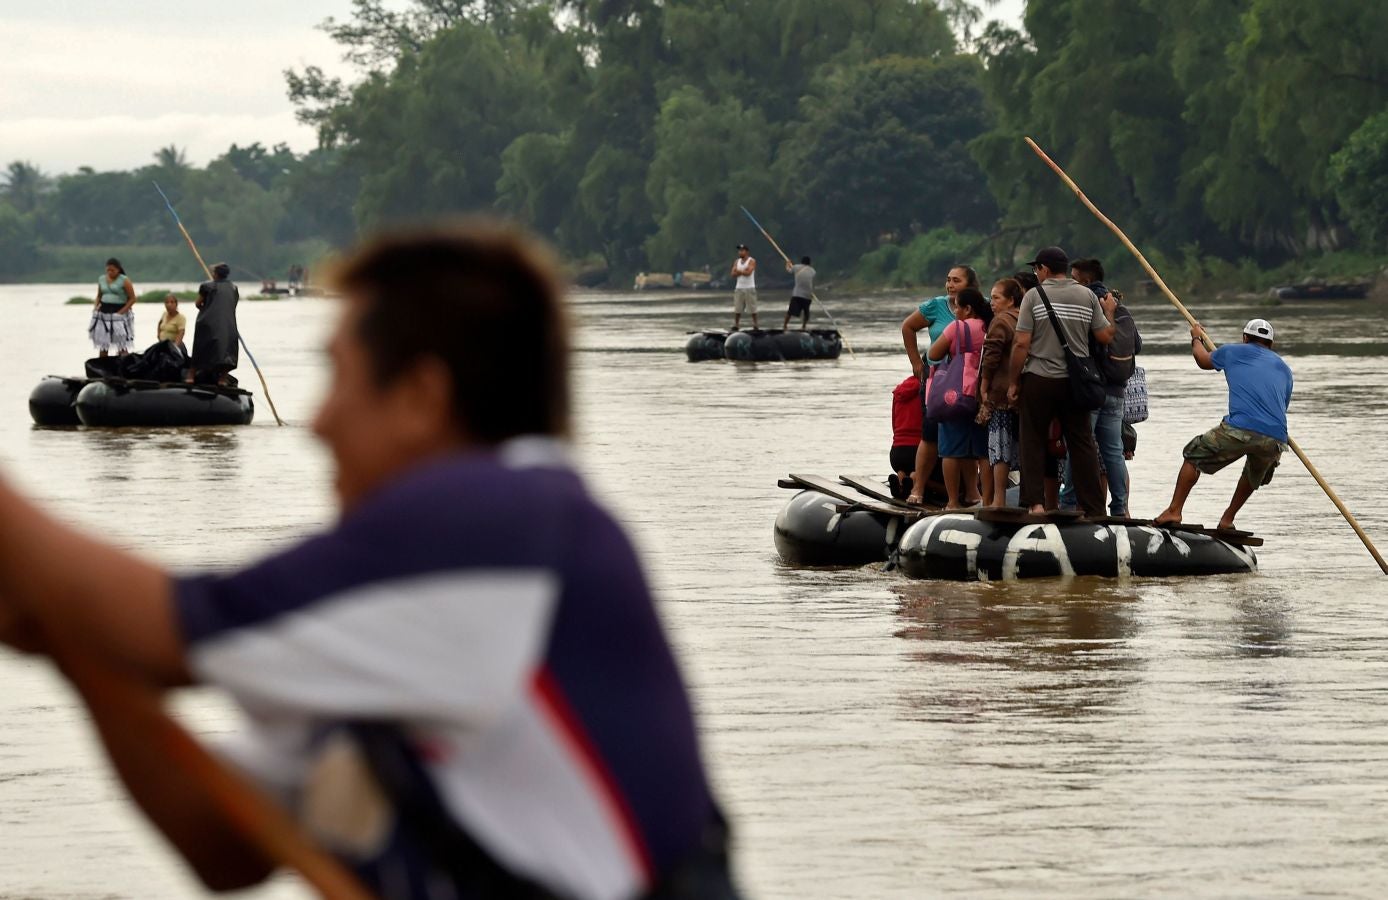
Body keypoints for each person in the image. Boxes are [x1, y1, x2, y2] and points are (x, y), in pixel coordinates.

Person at [0, 223, 738, 899]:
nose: (318, 422)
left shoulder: (497, 526)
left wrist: (65, 595)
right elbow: (223, 842)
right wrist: (71, 642)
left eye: (341, 376)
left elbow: (161, 634)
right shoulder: (405, 633)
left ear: (420, 397)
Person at [1005, 246, 1114, 516]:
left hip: (1039, 379)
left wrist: (1013, 381)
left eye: (1036, 269)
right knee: (1082, 443)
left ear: (1043, 269)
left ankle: (1035, 504)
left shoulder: (1033, 296)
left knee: (1033, 440)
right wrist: (1109, 311)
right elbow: (1104, 336)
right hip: (1075, 383)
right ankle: (1093, 508)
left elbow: (1021, 343)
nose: (1036, 273)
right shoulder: (1087, 295)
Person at [1155, 318, 1292, 531]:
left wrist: (1196, 338)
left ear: (1245, 338)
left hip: (1241, 429)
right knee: (1252, 474)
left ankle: (1174, 510)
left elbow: (1203, 360)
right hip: (1276, 437)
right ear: (1271, 344)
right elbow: (1282, 405)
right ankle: (1227, 520)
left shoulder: (1233, 351)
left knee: (1193, 455)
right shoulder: (1285, 369)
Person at [1059, 277, 1141, 516]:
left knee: (1079, 447)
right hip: (1117, 393)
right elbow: (1137, 346)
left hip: (1092, 393)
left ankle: (1068, 502)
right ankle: (1120, 507)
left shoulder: (1093, 317)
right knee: (1114, 451)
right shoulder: (1124, 315)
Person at [901, 265, 978, 505]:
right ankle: (918, 489)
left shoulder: (979, 306)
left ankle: (972, 492)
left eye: (956, 280)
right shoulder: (936, 306)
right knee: (930, 433)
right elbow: (908, 327)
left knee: (968, 433)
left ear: (970, 285)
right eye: (948, 280)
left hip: (967, 380)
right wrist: (916, 362)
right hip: (937, 380)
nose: (950, 285)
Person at [925, 287, 991, 508]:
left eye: (957, 307)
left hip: (957, 395)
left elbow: (933, 354)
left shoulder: (957, 327)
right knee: (985, 452)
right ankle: (988, 500)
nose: (955, 311)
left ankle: (953, 502)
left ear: (968, 308)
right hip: (984, 395)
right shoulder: (991, 325)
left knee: (951, 451)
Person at [978, 278, 1023, 508]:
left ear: (1011, 300)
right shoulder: (1026, 318)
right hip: (1023, 393)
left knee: (1000, 447)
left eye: (996, 298)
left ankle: (999, 500)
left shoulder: (1001, 321)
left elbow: (991, 356)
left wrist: (984, 385)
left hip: (1001, 394)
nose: (992, 302)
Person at [188, 262, 240, 385]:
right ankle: (222, 378)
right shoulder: (233, 288)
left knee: (201, 347)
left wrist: (207, 308)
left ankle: (191, 376)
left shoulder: (207, 286)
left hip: (207, 322)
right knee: (227, 350)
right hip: (228, 323)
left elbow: (198, 303)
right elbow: (233, 304)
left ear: (215, 274)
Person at [91, 257, 137, 357]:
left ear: (118, 269)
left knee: (121, 343)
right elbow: (99, 296)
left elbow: (132, 299)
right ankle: (103, 363)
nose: (110, 272)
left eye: (112, 270)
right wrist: (95, 308)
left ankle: (124, 362)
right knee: (103, 344)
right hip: (104, 313)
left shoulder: (124, 280)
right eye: (108, 270)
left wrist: (121, 312)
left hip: (119, 313)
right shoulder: (101, 279)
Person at [889, 372, 923, 499]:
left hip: (896, 452)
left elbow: (894, 424)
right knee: (917, 470)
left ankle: (900, 480)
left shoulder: (899, 391)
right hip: (917, 451)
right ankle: (913, 479)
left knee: (903, 468)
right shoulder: (927, 388)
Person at [783, 256, 815, 331]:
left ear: (802, 262)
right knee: (806, 312)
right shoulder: (812, 271)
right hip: (808, 295)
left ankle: (785, 326)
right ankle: (804, 326)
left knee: (790, 311)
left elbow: (789, 270)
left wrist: (788, 264)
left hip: (797, 294)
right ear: (809, 263)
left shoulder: (796, 267)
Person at [730, 244, 757, 330]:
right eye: (739, 251)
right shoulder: (736, 261)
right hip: (739, 287)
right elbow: (732, 274)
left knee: (752, 307)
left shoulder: (751, 261)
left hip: (749, 287)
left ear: (747, 252)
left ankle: (755, 324)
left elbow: (748, 273)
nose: (740, 252)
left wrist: (738, 271)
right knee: (737, 308)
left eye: (742, 250)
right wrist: (742, 271)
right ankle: (736, 325)